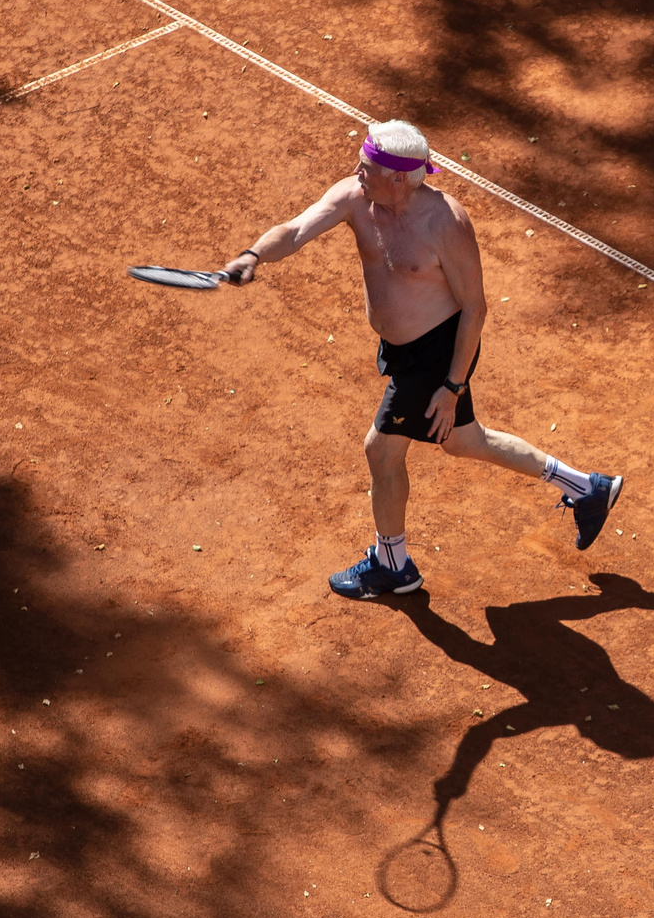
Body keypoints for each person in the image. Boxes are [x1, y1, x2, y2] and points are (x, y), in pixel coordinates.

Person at [221, 120, 621, 598]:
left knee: (381, 450)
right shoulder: (355, 197)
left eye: (367, 167)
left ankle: (393, 565)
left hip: (438, 352)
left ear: (398, 178)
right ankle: (586, 488)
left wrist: (451, 387)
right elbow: (294, 231)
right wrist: (254, 255)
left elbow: (475, 309)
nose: (356, 171)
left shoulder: (445, 223)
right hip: (402, 351)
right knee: (465, 442)